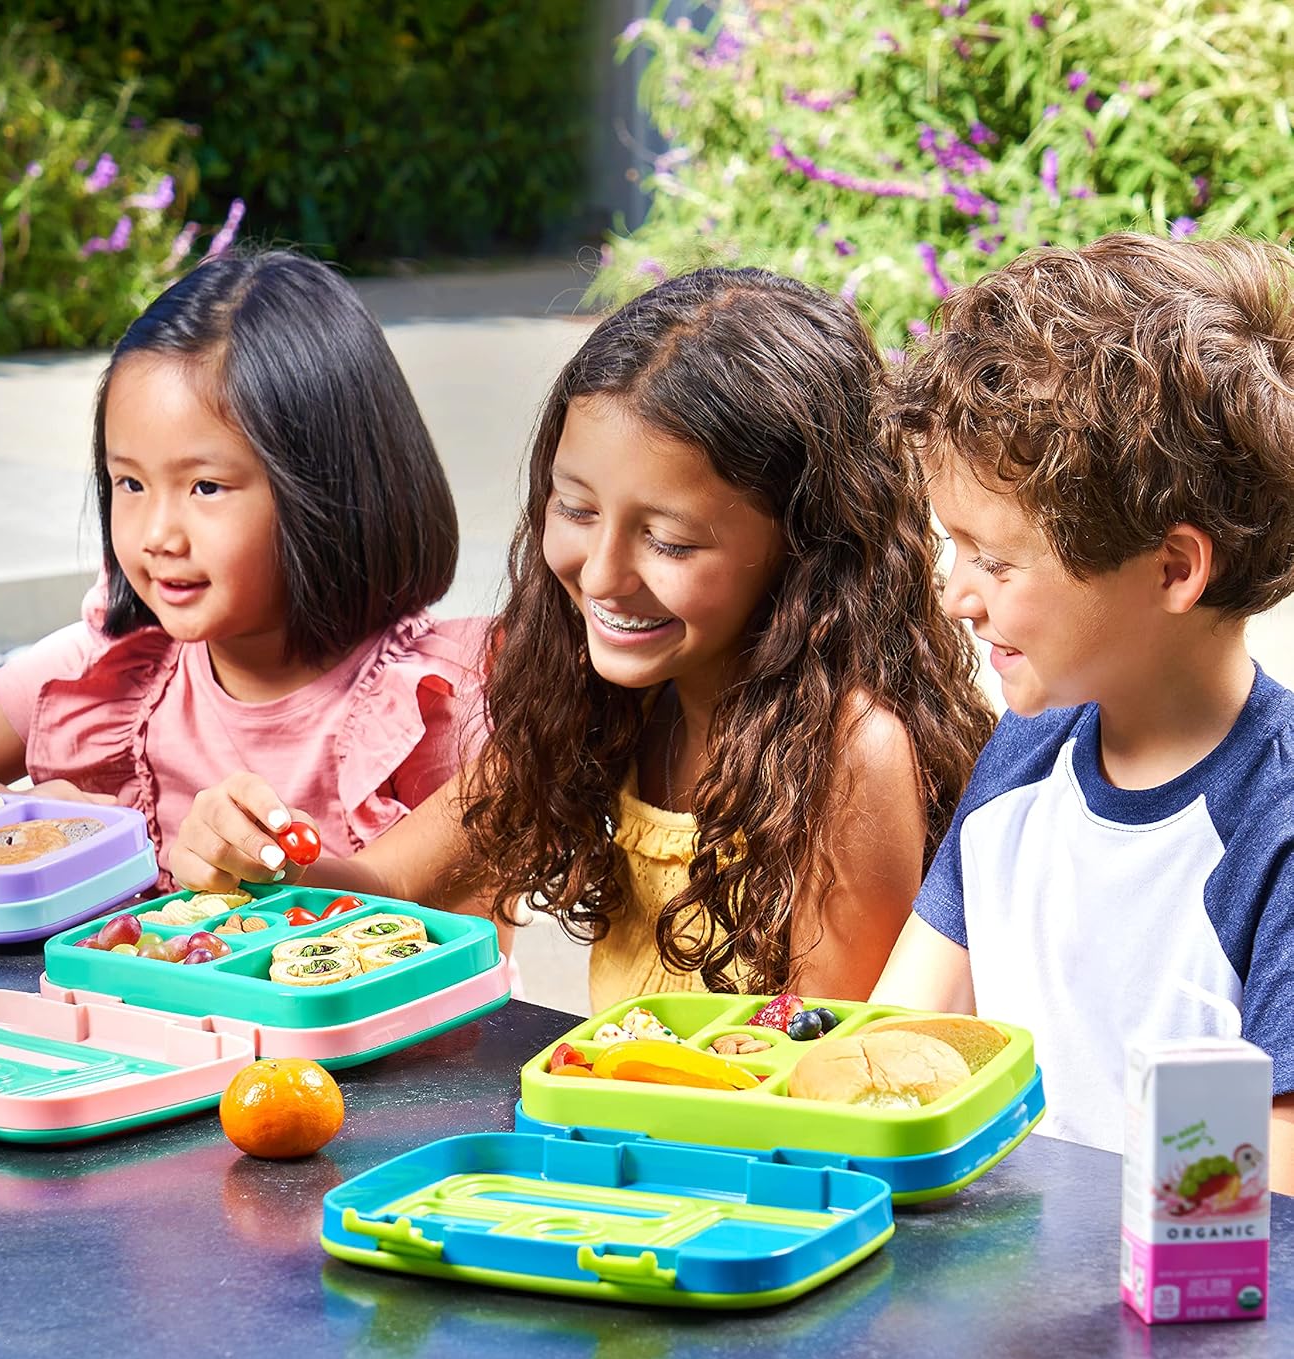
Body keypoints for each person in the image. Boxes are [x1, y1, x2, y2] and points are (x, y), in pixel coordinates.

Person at [171, 266, 994, 1008]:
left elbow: (821, 1069)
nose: (600, 575)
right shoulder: (604, 697)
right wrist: (266, 855)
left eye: (667, 541)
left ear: (808, 543)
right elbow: (380, 891)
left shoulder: (849, 752)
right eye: (575, 509)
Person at [0, 251, 487, 886]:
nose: (156, 536)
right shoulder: (120, 672)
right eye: (129, 483)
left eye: (204, 487)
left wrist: (259, 867)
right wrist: (23, 815)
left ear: (328, 486)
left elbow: (419, 899)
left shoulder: (426, 701)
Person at [870, 232, 1294, 1192]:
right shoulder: (1025, 753)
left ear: (1173, 569)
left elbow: (1271, 1205)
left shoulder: (1274, 829)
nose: (953, 593)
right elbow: (901, 1045)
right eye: (953, 546)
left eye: (995, 560)